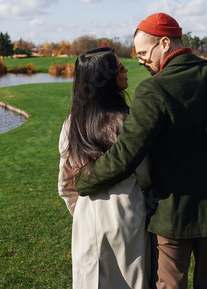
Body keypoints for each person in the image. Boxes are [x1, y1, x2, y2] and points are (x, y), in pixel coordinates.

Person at [74, 13, 207, 289]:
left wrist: (83, 180)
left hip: (172, 215)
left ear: (165, 43)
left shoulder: (153, 89)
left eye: (144, 52)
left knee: (170, 285)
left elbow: (125, 156)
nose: (140, 60)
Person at [58, 47, 153, 288]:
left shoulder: (72, 124)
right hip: (127, 210)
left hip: (86, 214)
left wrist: (83, 212)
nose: (126, 70)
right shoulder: (128, 121)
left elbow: (65, 183)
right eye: (121, 67)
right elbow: (144, 173)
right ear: (106, 78)